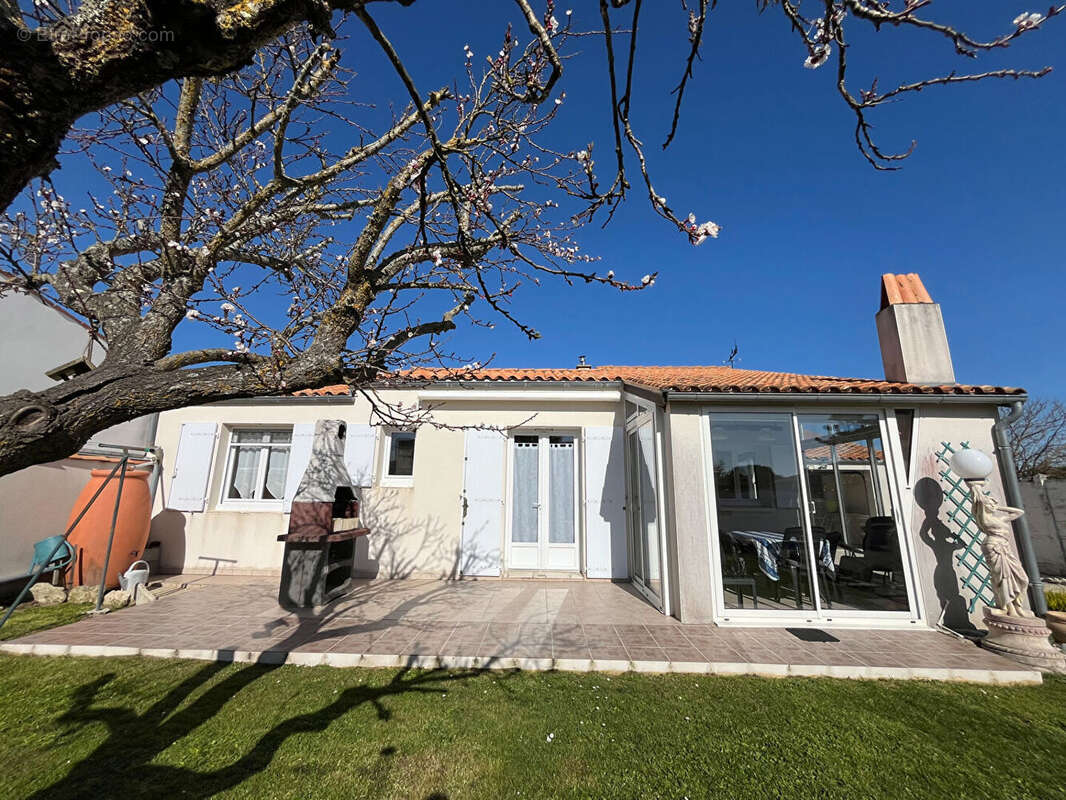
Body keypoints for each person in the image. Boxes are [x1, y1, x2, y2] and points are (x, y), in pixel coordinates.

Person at [969, 484, 1029, 617]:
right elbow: (978, 499)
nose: (993, 504)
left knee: (1023, 579)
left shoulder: (999, 518)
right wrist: (975, 487)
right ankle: (1008, 607)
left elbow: (1019, 512)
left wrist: (999, 507)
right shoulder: (984, 519)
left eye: (993, 502)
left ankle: (1017, 605)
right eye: (990, 503)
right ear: (983, 505)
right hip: (994, 547)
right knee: (1002, 578)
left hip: (1005, 548)